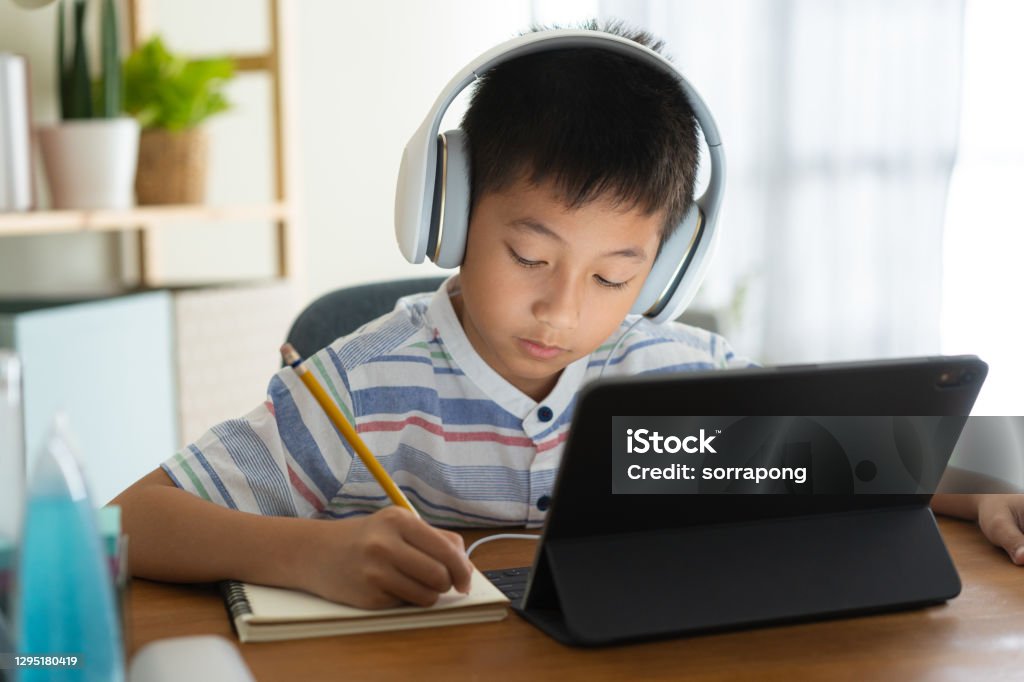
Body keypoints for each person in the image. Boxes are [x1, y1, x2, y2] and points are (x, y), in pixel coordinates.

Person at [111, 21, 1024, 612]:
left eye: (615, 276)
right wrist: (308, 553)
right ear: (448, 213)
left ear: (666, 264)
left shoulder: (684, 377)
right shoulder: (362, 384)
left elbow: (848, 456)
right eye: (529, 257)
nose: (562, 308)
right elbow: (133, 519)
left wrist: (986, 491)